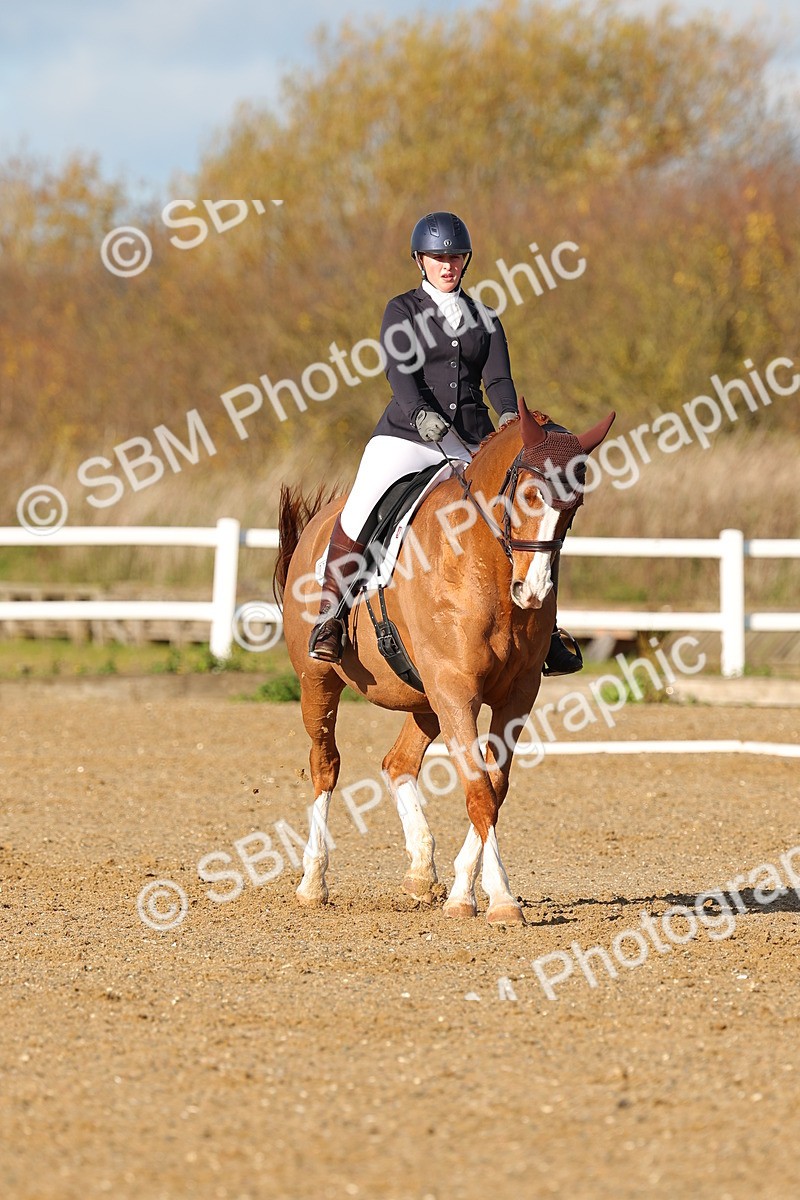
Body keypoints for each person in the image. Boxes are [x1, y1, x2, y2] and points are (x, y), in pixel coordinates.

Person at [308, 210, 582, 677]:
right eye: (438, 257)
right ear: (421, 260)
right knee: (363, 503)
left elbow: (498, 379)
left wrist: (510, 417)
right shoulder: (402, 310)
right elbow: (400, 372)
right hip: (407, 434)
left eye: (455, 257)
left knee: (520, 514)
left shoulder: (486, 318)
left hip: (469, 441)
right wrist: (419, 413)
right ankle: (330, 615)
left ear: (465, 261)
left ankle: (545, 630)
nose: (447, 264)